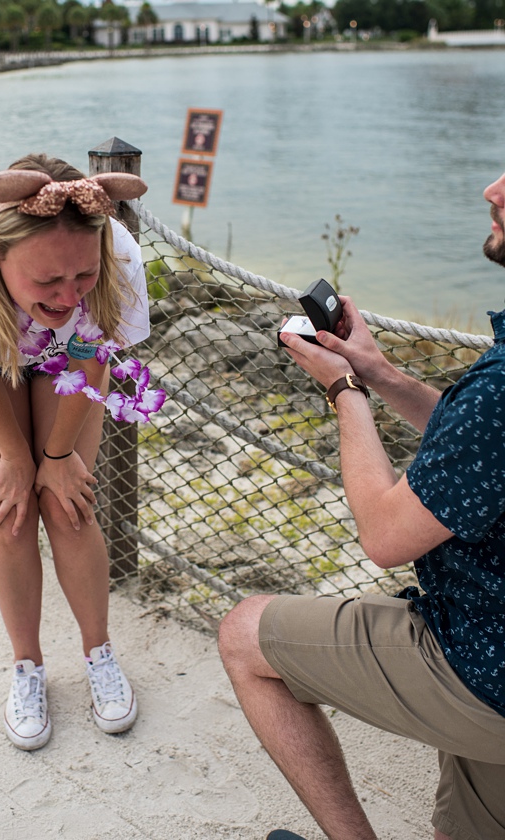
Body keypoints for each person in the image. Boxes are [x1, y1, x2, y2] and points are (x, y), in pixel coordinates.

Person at [217, 172, 505, 839]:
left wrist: (345, 391)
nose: (492, 189)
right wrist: (380, 371)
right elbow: (480, 453)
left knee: (244, 637)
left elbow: (383, 534)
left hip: (482, 661)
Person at [0, 154, 162, 750]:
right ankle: (27, 666)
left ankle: (99, 652)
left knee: (70, 505)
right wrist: (16, 461)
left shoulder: (117, 253)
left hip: (71, 364)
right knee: (10, 509)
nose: (68, 295)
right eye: (47, 281)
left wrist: (54, 458)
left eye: (81, 277)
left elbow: (93, 355)